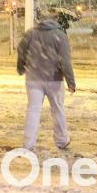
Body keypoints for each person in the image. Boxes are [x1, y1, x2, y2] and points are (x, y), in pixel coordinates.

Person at [17, 9, 76, 151]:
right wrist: (70, 82)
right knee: (57, 110)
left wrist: (21, 67)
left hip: (33, 78)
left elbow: (21, 51)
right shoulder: (60, 35)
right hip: (54, 79)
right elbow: (65, 61)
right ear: (56, 21)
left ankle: (28, 143)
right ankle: (62, 140)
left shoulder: (30, 34)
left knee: (33, 110)